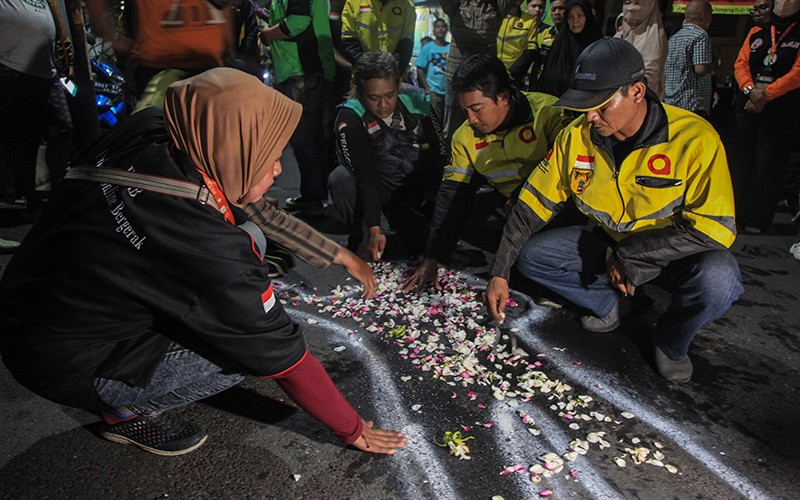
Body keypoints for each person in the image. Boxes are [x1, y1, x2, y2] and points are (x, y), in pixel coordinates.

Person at [0, 68, 406, 456]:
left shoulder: (151, 130)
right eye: (269, 157)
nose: (280, 169)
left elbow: (254, 204)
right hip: (67, 363)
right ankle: (119, 409)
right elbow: (283, 357)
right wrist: (352, 429)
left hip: (27, 305)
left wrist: (338, 254)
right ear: (233, 148)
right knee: (243, 345)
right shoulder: (210, 247)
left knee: (254, 236)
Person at [484, 38, 743, 383]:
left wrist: (630, 254)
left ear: (636, 91)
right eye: (584, 106)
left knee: (719, 280)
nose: (590, 117)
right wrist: (500, 271)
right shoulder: (577, 136)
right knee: (532, 257)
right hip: (610, 243)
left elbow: (715, 229)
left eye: (601, 106)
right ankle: (613, 305)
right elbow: (530, 205)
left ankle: (671, 341)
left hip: (676, 252)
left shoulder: (695, 139)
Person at [402, 54, 568, 294]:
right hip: (510, 209)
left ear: (502, 97)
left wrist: (522, 196)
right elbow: (452, 197)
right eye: (465, 110)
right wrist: (432, 258)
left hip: (554, 206)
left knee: (533, 254)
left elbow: (568, 176)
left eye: (477, 109)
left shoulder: (549, 113)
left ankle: (531, 258)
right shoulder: (464, 137)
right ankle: (517, 251)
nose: (471, 119)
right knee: (458, 217)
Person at [329, 52, 449, 260]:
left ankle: (403, 220)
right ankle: (364, 234)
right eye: (373, 98)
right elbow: (365, 175)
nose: (383, 105)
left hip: (410, 185)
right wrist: (374, 226)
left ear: (399, 85)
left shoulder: (418, 101)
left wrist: (432, 195)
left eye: (390, 95)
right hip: (375, 183)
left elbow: (440, 151)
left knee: (427, 244)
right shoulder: (349, 117)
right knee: (341, 179)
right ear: (360, 91)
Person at [260, 0, 337, 214]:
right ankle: (317, 194)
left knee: (303, 138)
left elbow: (298, 22)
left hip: (300, 72)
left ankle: (313, 196)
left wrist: (268, 34)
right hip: (308, 70)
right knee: (313, 138)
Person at [732, 0, 800, 234]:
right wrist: (751, 91)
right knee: (741, 160)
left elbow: (797, 73)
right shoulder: (756, 32)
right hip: (748, 105)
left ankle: (756, 218)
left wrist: (767, 94)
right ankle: (730, 212)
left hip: (781, 109)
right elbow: (740, 65)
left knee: (768, 165)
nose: (784, 3)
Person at [0, 0, 72, 213]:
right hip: (10, 68)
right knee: (22, 140)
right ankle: (31, 199)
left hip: (46, 72)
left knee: (63, 126)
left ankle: (59, 189)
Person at [439, 0, 517, 139]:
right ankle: (450, 156)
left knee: (486, 124)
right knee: (452, 125)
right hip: (456, 78)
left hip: (484, 81)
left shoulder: (497, 5)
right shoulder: (458, 4)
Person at [537, 0, 602, 97]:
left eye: (580, 15)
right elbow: (547, 76)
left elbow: (597, 76)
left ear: (587, 17)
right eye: (570, 16)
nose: (575, 21)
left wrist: (576, 77)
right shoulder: (560, 43)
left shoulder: (598, 46)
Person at [664, 0, 714, 117]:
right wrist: (712, 66)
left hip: (672, 101)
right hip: (692, 103)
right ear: (703, 15)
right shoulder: (700, 35)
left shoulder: (675, 37)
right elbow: (700, 69)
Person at [340, 0, 416, 71]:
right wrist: (368, 69)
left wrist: (391, 71)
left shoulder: (406, 6)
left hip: (394, 76)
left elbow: (406, 44)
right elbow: (349, 42)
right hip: (363, 76)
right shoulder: (353, 3)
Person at [616, 0, 668, 99]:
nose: (631, 8)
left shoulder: (655, 36)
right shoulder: (620, 35)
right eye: (627, 2)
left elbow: (651, 77)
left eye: (637, 3)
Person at [416, 19, 451, 130]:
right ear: (434, 30)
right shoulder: (428, 48)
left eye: (443, 26)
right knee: (435, 121)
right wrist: (427, 86)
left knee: (448, 122)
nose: (440, 29)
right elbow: (420, 68)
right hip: (434, 91)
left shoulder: (451, 48)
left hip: (449, 91)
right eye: (437, 27)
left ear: (447, 29)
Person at [496, 0, 539, 86]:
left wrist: (512, 73)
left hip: (514, 78)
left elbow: (531, 50)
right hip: (490, 73)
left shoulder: (530, 21)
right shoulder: (493, 15)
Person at [525, 0, 566, 90]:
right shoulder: (542, 34)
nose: (557, 13)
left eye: (561, 8)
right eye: (553, 9)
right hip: (540, 85)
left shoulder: (572, 37)